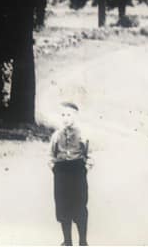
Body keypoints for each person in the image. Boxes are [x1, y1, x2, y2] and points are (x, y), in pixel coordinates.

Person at [49, 102, 93, 246]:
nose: (65, 118)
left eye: (69, 115)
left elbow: (89, 154)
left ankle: (83, 241)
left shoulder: (82, 134)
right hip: (61, 172)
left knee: (79, 203)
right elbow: (51, 155)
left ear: (75, 116)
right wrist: (54, 168)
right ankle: (67, 241)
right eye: (63, 115)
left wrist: (85, 167)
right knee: (63, 204)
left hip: (77, 171)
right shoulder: (56, 135)